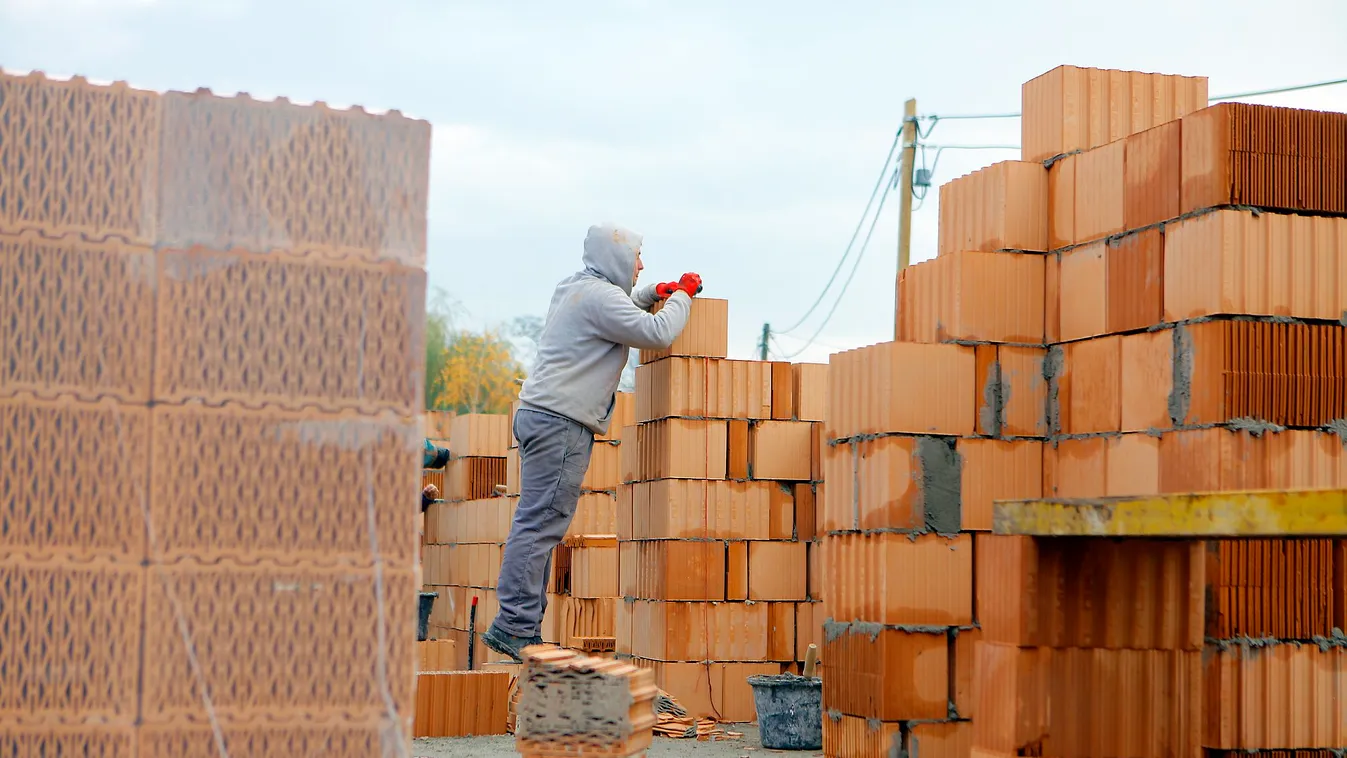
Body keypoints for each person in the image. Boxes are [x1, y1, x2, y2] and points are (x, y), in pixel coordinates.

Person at [482, 223, 700, 661]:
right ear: (618, 258)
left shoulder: (578, 287)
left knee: (536, 522)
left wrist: (652, 290)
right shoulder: (601, 299)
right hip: (561, 423)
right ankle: (514, 625)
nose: (641, 264)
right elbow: (656, 334)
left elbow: (620, 311)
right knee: (540, 524)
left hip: (538, 415)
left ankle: (522, 624)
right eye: (638, 257)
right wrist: (683, 297)